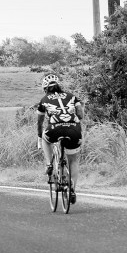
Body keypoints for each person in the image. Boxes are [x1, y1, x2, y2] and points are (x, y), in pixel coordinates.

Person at [36, 73, 83, 204]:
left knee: (46, 139)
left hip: (54, 128)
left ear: (45, 88)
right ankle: (72, 188)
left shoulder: (44, 99)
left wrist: (39, 137)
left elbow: (39, 123)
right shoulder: (72, 96)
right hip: (74, 129)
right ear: (59, 85)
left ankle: (49, 164)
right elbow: (80, 115)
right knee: (73, 160)